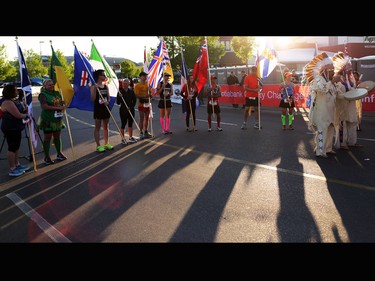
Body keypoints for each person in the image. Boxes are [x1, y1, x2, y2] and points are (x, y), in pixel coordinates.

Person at [306, 52, 338, 158]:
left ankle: (328, 148)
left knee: (330, 130)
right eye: (331, 70)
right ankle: (320, 151)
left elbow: (334, 93)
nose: (333, 72)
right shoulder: (319, 79)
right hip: (320, 112)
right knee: (322, 130)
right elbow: (322, 89)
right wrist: (331, 82)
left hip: (329, 111)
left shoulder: (329, 81)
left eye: (333, 70)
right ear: (325, 70)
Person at [332, 52, 362, 149]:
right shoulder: (337, 78)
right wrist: (345, 95)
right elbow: (337, 94)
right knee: (342, 124)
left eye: (350, 69)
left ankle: (352, 142)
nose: (350, 71)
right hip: (342, 106)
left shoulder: (350, 79)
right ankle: (342, 144)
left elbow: (353, 89)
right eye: (348, 69)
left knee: (352, 122)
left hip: (351, 105)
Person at [0, 84, 30, 176]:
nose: (17, 92)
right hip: (10, 128)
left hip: (16, 127)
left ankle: (17, 164)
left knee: (16, 147)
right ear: (10, 92)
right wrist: (26, 115)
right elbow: (17, 115)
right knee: (12, 148)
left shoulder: (12, 100)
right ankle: (12, 168)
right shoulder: (7, 102)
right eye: (15, 90)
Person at [38, 79, 68, 164]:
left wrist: (62, 103)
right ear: (45, 86)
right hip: (48, 119)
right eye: (49, 85)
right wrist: (58, 108)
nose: (51, 86)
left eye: (52, 84)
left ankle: (59, 153)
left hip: (57, 119)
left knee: (57, 137)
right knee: (47, 138)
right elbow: (45, 106)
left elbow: (60, 102)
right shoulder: (43, 95)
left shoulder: (57, 93)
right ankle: (47, 157)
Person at [90, 69, 114, 152]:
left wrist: (107, 102)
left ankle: (106, 143)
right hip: (98, 109)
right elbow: (93, 99)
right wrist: (94, 89)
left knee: (106, 127)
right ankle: (98, 145)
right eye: (103, 75)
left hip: (105, 108)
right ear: (99, 76)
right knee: (97, 127)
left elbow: (109, 97)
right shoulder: (94, 86)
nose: (105, 76)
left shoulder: (106, 86)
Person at [117, 78, 137, 144]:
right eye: (124, 83)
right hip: (123, 110)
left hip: (130, 109)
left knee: (130, 124)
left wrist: (132, 106)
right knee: (123, 124)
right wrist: (119, 97)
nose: (125, 84)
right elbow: (118, 103)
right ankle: (123, 139)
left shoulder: (131, 90)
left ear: (129, 83)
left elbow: (134, 100)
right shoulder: (120, 92)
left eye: (126, 83)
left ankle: (131, 137)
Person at [134, 71, 152, 139]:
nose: (145, 77)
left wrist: (150, 94)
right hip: (141, 104)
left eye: (146, 76)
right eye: (143, 76)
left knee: (147, 118)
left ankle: (146, 131)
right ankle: (141, 132)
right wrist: (144, 96)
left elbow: (150, 94)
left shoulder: (148, 84)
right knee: (141, 118)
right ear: (140, 77)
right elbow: (136, 95)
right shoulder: (138, 85)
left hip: (147, 103)